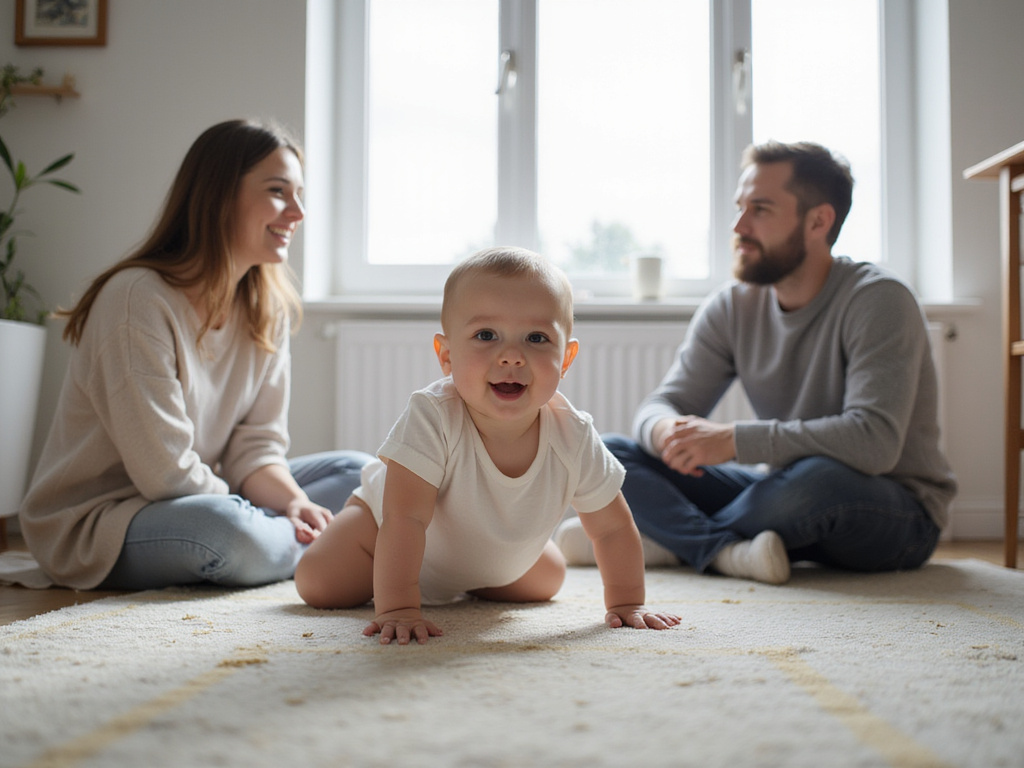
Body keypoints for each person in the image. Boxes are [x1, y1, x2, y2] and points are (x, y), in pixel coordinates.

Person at [554, 140, 957, 585]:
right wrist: (667, 430)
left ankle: (672, 540)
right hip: (781, 492)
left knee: (815, 481)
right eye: (739, 207)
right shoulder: (733, 305)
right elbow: (660, 405)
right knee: (611, 451)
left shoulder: (879, 299)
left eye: (760, 209)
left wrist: (733, 441)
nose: (739, 225)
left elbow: (874, 442)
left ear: (818, 221)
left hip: (894, 509)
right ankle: (719, 548)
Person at [19, 119, 373, 591]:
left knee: (359, 474)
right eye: (277, 192)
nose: (298, 212)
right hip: (102, 522)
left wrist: (291, 502)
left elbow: (257, 450)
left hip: (204, 494)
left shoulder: (265, 308)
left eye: (299, 194)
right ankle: (339, 549)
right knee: (226, 533)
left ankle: (308, 544)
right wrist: (242, 510)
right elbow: (165, 473)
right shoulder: (136, 300)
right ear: (219, 195)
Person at [295, 247, 681, 644]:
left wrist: (627, 602)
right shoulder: (433, 415)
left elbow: (613, 527)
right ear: (446, 356)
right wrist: (399, 607)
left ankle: (472, 579)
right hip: (383, 535)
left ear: (566, 358)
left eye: (536, 338)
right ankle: (320, 535)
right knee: (318, 585)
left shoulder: (573, 433)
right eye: (486, 336)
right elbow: (404, 518)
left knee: (548, 578)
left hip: (481, 556)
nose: (511, 356)